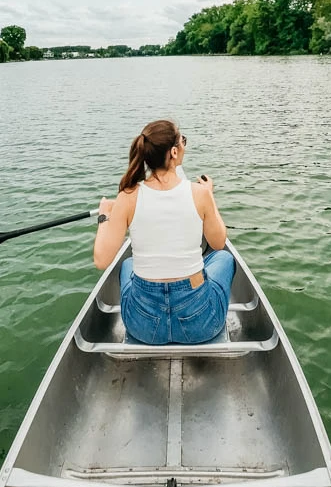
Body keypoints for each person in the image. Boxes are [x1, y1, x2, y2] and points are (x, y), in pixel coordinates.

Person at [93, 119, 235, 345]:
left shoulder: (127, 197)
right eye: (183, 141)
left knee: (128, 264)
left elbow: (101, 260)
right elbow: (218, 243)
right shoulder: (199, 194)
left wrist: (105, 216)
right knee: (225, 258)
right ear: (175, 151)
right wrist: (210, 195)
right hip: (200, 325)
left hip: (144, 328)